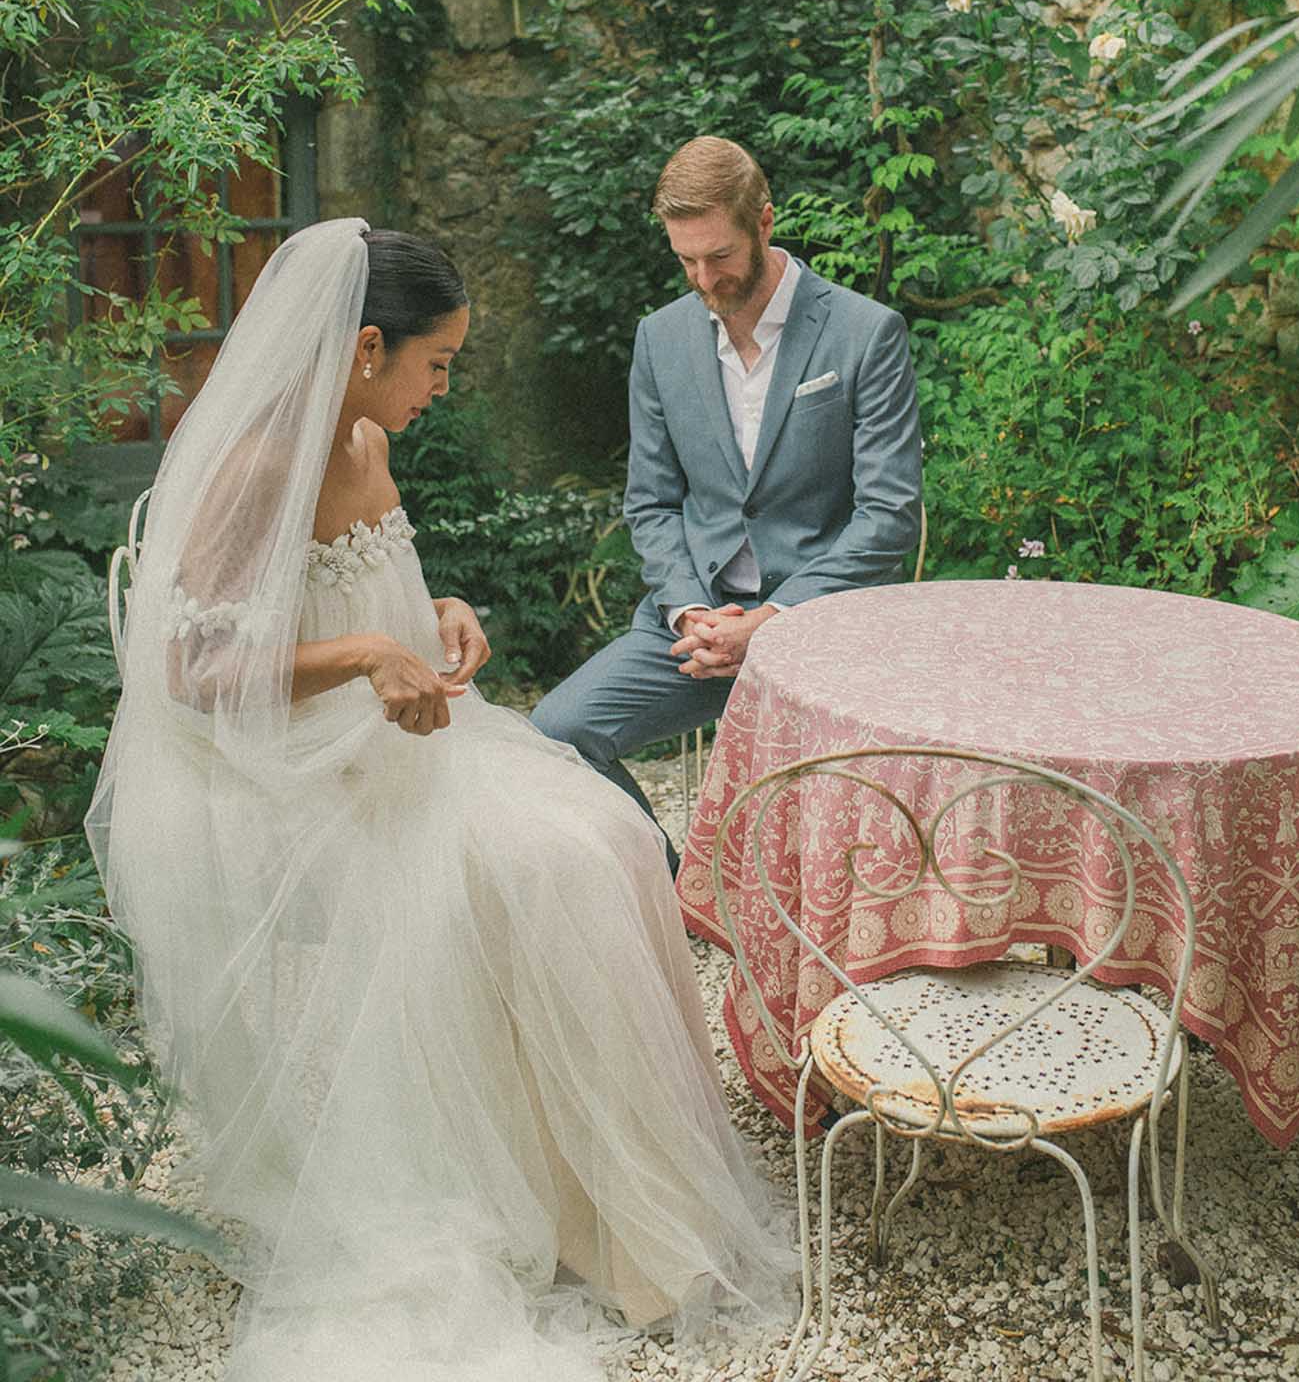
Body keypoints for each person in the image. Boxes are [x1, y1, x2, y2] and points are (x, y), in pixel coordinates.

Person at [86, 219, 792, 1382]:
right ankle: (568, 1209)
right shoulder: (259, 463)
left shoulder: (362, 430)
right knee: (550, 866)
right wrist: (367, 651)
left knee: (611, 833)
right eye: (437, 363)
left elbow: (369, 579)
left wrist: (437, 615)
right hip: (297, 782)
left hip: (409, 747)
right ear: (367, 346)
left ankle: (627, 1214)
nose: (444, 386)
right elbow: (189, 671)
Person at [532, 137, 923, 846]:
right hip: (698, 630)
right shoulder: (660, 340)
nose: (705, 279)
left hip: (825, 627)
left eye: (720, 256)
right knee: (556, 734)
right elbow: (650, 503)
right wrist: (689, 614)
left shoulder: (865, 334)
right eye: (686, 260)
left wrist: (773, 618)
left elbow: (889, 515)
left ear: (764, 222)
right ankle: (674, 896)